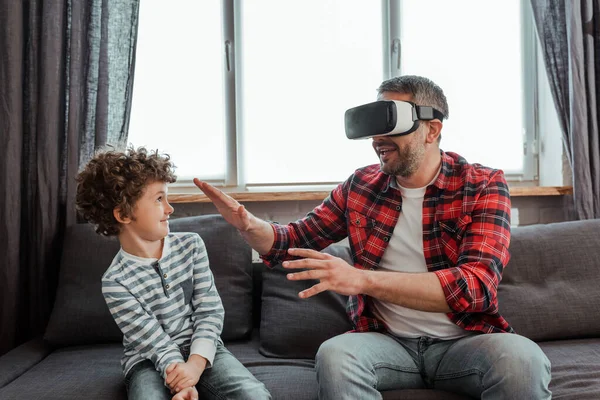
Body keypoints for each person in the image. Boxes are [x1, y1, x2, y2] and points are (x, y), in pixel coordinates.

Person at [193, 75, 552, 399]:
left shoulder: (482, 184)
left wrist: (360, 279)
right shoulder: (361, 186)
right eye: (373, 129)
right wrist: (248, 225)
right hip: (386, 343)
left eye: (390, 125)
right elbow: (293, 241)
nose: (377, 141)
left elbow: (476, 287)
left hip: (466, 342)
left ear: (431, 130)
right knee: (336, 356)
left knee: (522, 360)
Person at [75, 146, 271, 400]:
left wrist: (195, 366)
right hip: (147, 359)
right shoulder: (115, 282)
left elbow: (209, 311)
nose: (170, 209)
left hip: (203, 349)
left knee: (253, 396)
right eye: (159, 199)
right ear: (123, 214)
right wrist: (182, 381)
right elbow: (153, 341)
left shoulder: (191, 246)